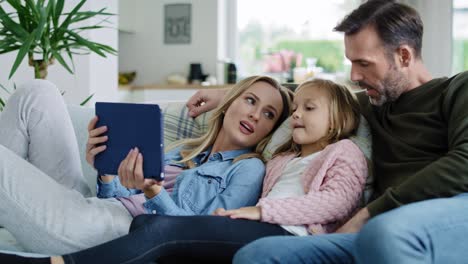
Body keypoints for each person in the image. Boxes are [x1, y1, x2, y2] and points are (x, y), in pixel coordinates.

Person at [187, 0, 468, 263]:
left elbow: (464, 162)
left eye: (364, 64)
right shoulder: (372, 102)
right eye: (351, 63)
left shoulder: (456, 90)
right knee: (257, 255)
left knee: (385, 234)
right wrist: (231, 95)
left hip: (439, 218)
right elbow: (313, 98)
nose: (354, 76)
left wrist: (371, 212)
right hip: (371, 232)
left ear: (404, 56)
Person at [0, 78, 368, 264]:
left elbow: (187, 234)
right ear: (229, 104)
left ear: (272, 131)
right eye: (250, 101)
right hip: (94, 207)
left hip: (109, 232)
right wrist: (108, 174)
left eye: (269, 115)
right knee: (38, 92)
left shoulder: (250, 170)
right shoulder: (181, 152)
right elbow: (110, 199)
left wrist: (153, 193)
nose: (256, 114)